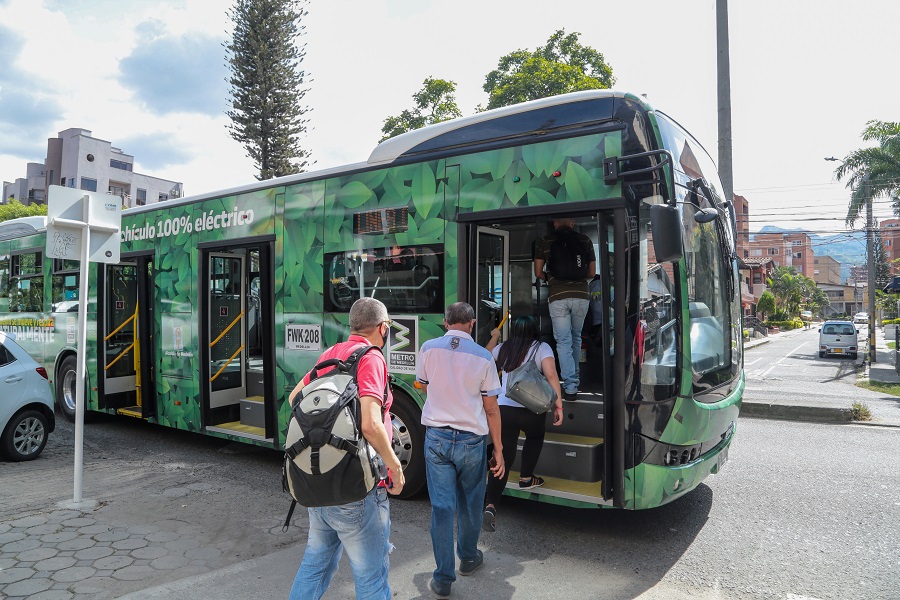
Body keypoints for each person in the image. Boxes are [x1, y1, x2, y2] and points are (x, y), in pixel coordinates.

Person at [287, 297, 405, 600]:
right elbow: (370, 424)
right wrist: (395, 465)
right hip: (357, 486)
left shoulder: (331, 353)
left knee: (315, 565)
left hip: (320, 478)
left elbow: (293, 400)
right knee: (371, 577)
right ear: (382, 328)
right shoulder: (372, 357)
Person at [416, 302, 504, 599]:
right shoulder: (483, 357)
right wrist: (500, 450)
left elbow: (422, 385)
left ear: (445, 322)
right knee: (470, 501)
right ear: (472, 323)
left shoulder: (428, 348)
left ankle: (442, 578)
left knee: (442, 508)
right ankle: (468, 557)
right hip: (471, 441)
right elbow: (491, 410)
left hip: (437, 439)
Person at [482, 316, 563, 533]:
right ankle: (527, 477)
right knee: (535, 437)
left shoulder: (503, 348)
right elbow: (551, 374)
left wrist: (495, 337)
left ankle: (490, 505)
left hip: (504, 409)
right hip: (531, 408)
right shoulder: (542, 347)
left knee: (504, 456)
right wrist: (559, 405)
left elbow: (484, 356)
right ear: (535, 330)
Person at [533, 218, 597, 400]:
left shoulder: (544, 241)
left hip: (558, 298)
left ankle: (570, 387)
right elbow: (592, 272)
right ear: (573, 223)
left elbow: (538, 273)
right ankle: (573, 382)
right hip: (581, 296)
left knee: (563, 342)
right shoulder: (585, 240)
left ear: (554, 223)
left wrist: (552, 278)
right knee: (576, 338)